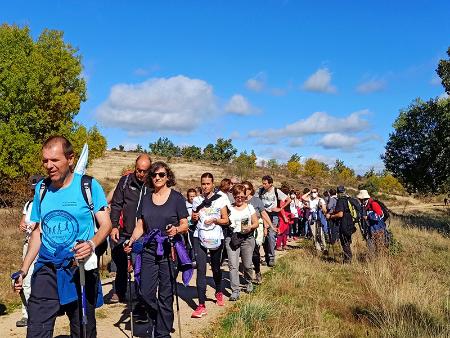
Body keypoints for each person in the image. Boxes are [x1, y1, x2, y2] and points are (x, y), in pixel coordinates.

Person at [14, 135, 111, 337]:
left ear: (70, 158)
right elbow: (39, 232)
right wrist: (24, 269)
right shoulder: (41, 189)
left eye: (55, 160)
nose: (49, 165)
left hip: (79, 270)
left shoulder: (88, 186)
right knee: (36, 330)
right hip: (47, 268)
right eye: (45, 161)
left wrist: (91, 244)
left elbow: (106, 224)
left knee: (83, 330)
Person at [125, 161, 189, 338]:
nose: (158, 178)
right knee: (145, 293)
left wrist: (176, 229)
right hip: (149, 250)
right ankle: (158, 320)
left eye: (161, 174)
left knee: (166, 295)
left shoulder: (176, 198)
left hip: (169, 250)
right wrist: (131, 241)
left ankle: (162, 333)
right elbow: (140, 226)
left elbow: (185, 224)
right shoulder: (145, 199)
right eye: (154, 175)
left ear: (168, 176)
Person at [109, 154, 151, 323]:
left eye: (144, 171)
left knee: (139, 266)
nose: (141, 174)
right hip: (124, 230)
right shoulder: (125, 182)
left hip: (143, 233)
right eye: (138, 170)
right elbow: (117, 204)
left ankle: (141, 304)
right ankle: (120, 290)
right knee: (119, 260)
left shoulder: (152, 184)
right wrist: (113, 225)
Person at [190, 173, 230, 318]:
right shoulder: (196, 200)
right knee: (201, 269)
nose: (205, 186)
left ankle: (218, 290)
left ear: (213, 184)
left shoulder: (221, 199)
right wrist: (193, 218)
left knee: (215, 267)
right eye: (203, 183)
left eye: (208, 184)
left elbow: (226, 220)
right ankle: (201, 305)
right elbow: (193, 220)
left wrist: (215, 220)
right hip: (199, 236)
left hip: (215, 236)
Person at [15, 175, 43, 328]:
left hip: (43, 246)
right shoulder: (29, 204)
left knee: (43, 280)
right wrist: (23, 227)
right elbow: (22, 222)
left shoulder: (47, 203)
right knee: (25, 279)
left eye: (37, 188)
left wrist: (36, 227)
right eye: (33, 189)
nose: (34, 192)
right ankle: (27, 314)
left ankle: (43, 311)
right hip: (28, 245)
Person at [225, 184, 259, 300]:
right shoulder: (229, 208)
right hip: (232, 238)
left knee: (247, 264)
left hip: (247, 238)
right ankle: (235, 290)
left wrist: (250, 227)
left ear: (245, 196)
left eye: (242, 196)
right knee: (233, 265)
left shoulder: (250, 208)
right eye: (237, 196)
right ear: (233, 196)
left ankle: (249, 281)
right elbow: (224, 220)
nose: (239, 199)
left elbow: (256, 223)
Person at [242, 181, 272, 285]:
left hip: (255, 227)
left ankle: (257, 271)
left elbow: (263, 213)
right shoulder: (239, 200)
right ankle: (247, 275)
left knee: (255, 252)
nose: (245, 191)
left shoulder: (256, 201)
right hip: (242, 228)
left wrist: (269, 226)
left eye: (247, 189)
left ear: (251, 190)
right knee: (244, 253)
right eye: (243, 188)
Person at [259, 175, 291, 267]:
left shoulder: (276, 191)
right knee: (264, 237)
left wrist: (280, 208)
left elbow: (288, 200)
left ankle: (271, 257)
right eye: (263, 183)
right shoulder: (261, 190)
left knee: (271, 236)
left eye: (265, 183)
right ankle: (266, 257)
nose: (263, 185)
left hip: (273, 216)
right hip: (263, 215)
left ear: (270, 183)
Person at [330, 186, 356, 263]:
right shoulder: (349, 199)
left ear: (337, 192)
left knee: (344, 242)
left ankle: (348, 260)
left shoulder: (340, 200)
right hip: (350, 222)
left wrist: (331, 216)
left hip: (344, 223)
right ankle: (347, 258)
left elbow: (340, 214)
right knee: (347, 241)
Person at [357, 190, 387, 255]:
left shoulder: (373, 204)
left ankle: (380, 261)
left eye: (360, 199)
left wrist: (368, 217)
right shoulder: (364, 206)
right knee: (371, 247)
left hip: (378, 230)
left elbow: (379, 214)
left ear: (363, 199)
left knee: (379, 247)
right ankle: (373, 261)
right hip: (369, 230)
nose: (359, 200)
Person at [303, 188, 328, 252]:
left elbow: (325, 210)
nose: (313, 193)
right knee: (314, 234)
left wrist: (321, 207)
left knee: (320, 234)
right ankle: (318, 248)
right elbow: (303, 197)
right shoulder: (310, 199)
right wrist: (309, 192)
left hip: (319, 218)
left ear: (317, 192)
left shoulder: (321, 200)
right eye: (312, 192)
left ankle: (324, 247)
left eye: (315, 192)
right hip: (312, 218)